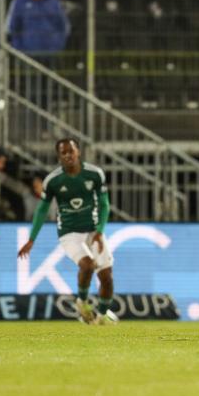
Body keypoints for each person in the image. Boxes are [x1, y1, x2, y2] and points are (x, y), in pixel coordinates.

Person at [17, 139, 117, 326]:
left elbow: (104, 204)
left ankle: (102, 315)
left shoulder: (95, 174)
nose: (68, 155)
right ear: (59, 156)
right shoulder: (53, 181)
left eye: (71, 151)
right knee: (87, 265)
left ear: (78, 151)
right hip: (69, 233)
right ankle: (83, 302)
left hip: (93, 231)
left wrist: (100, 231)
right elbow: (41, 210)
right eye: (63, 153)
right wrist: (31, 239)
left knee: (107, 276)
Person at [6, 0, 71, 62]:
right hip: (26, 54)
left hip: (51, 52)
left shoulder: (53, 1)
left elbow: (63, 25)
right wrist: (19, 48)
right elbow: (12, 27)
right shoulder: (19, 1)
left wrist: (58, 45)